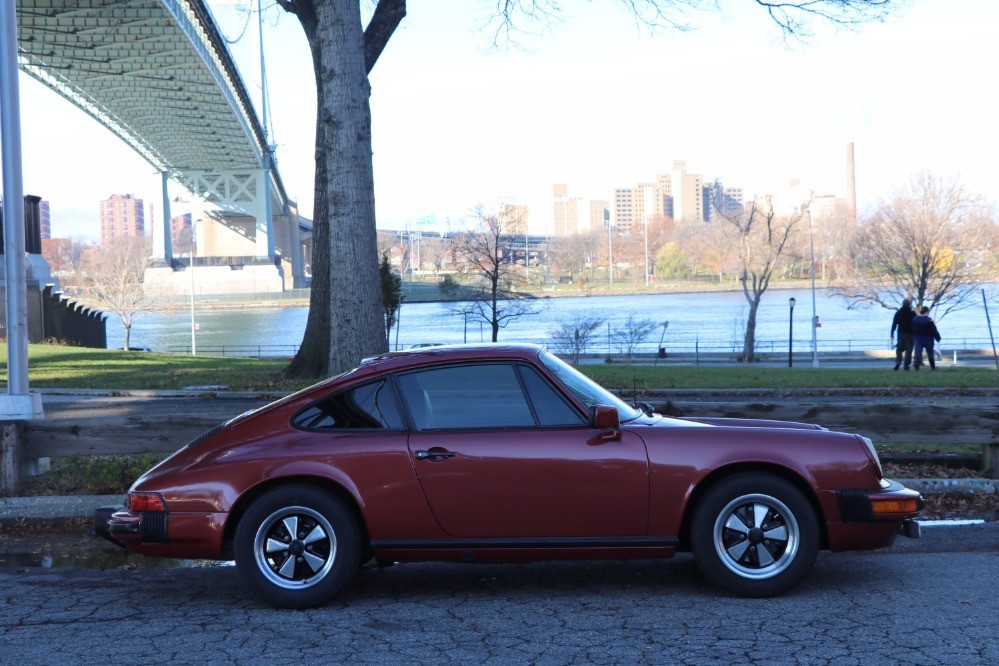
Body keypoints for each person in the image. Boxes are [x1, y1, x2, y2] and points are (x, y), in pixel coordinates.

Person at [911, 305, 941, 371]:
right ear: (927, 312)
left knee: (918, 353)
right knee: (930, 354)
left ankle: (916, 366)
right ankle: (932, 367)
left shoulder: (915, 319)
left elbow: (912, 329)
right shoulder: (929, 320)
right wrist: (938, 337)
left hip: (917, 338)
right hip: (928, 339)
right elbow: (934, 330)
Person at [889, 299, 915, 371]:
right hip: (910, 334)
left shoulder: (898, 313)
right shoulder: (912, 313)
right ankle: (906, 365)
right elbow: (916, 324)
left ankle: (898, 360)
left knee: (899, 349)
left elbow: (894, 323)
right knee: (908, 350)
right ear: (909, 304)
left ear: (902, 304)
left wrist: (892, 332)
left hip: (900, 333)